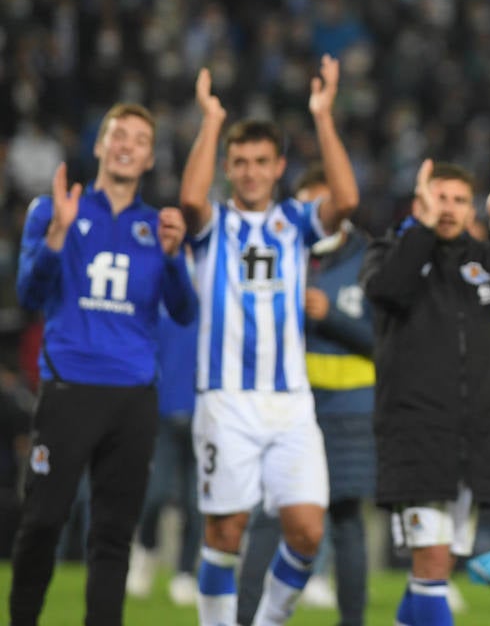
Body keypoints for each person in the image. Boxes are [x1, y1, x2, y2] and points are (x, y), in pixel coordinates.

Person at [181, 60, 360, 626]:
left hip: (290, 403)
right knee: (226, 531)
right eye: (240, 163)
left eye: (261, 161)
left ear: (279, 166)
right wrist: (211, 122)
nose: (252, 172)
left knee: (307, 530)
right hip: (226, 399)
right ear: (228, 169)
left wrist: (323, 117)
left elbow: (347, 202)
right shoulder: (213, 224)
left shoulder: (294, 221)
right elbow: (188, 201)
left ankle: (267, 621)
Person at [10, 103, 197, 626]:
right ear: (99, 144)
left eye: (139, 139)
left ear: (147, 157)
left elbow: (184, 312)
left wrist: (175, 259)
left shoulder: (157, 226)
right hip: (70, 389)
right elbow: (29, 293)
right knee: (43, 520)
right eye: (118, 134)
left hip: (133, 399)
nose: (126, 145)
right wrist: (56, 239)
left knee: (113, 535)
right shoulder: (53, 210)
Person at [361, 154, 490, 626]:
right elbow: (387, 291)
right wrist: (418, 228)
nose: (449, 208)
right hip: (415, 433)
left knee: (435, 566)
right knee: (433, 565)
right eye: (440, 197)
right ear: (421, 199)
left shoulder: (479, 260)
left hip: (470, 437)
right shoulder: (392, 249)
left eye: (460, 200)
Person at [238, 164, 377, 626]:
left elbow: (387, 341)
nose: (319, 217)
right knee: (268, 516)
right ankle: (246, 618)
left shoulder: (372, 259)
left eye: (326, 207)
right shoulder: (280, 254)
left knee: (345, 521)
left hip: (350, 412)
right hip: (285, 406)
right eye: (309, 209)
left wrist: (330, 316)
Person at [127, 306, 201, 608]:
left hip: (204, 421)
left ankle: (185, 573)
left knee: (195, 504)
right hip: (163, 417)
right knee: (155, 495)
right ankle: (146, 550)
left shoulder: (210, 305)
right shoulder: (158, 307)